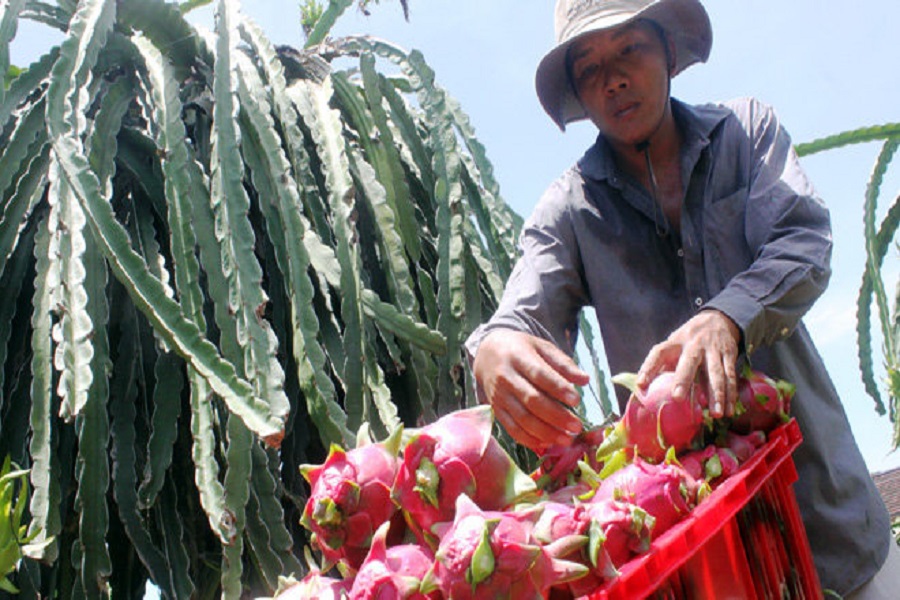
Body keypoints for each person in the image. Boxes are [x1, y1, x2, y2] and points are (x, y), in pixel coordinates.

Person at [465, 0, 899, 597]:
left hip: (835, 521)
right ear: (579, 94)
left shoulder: (745, 132)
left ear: (669, 51)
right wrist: (494, 346)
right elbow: (523, 308)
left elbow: (803, 242)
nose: (613, 77)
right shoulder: (567, 212)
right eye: (589, 67)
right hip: (708, 562)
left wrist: (730, 315)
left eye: (629, 50)